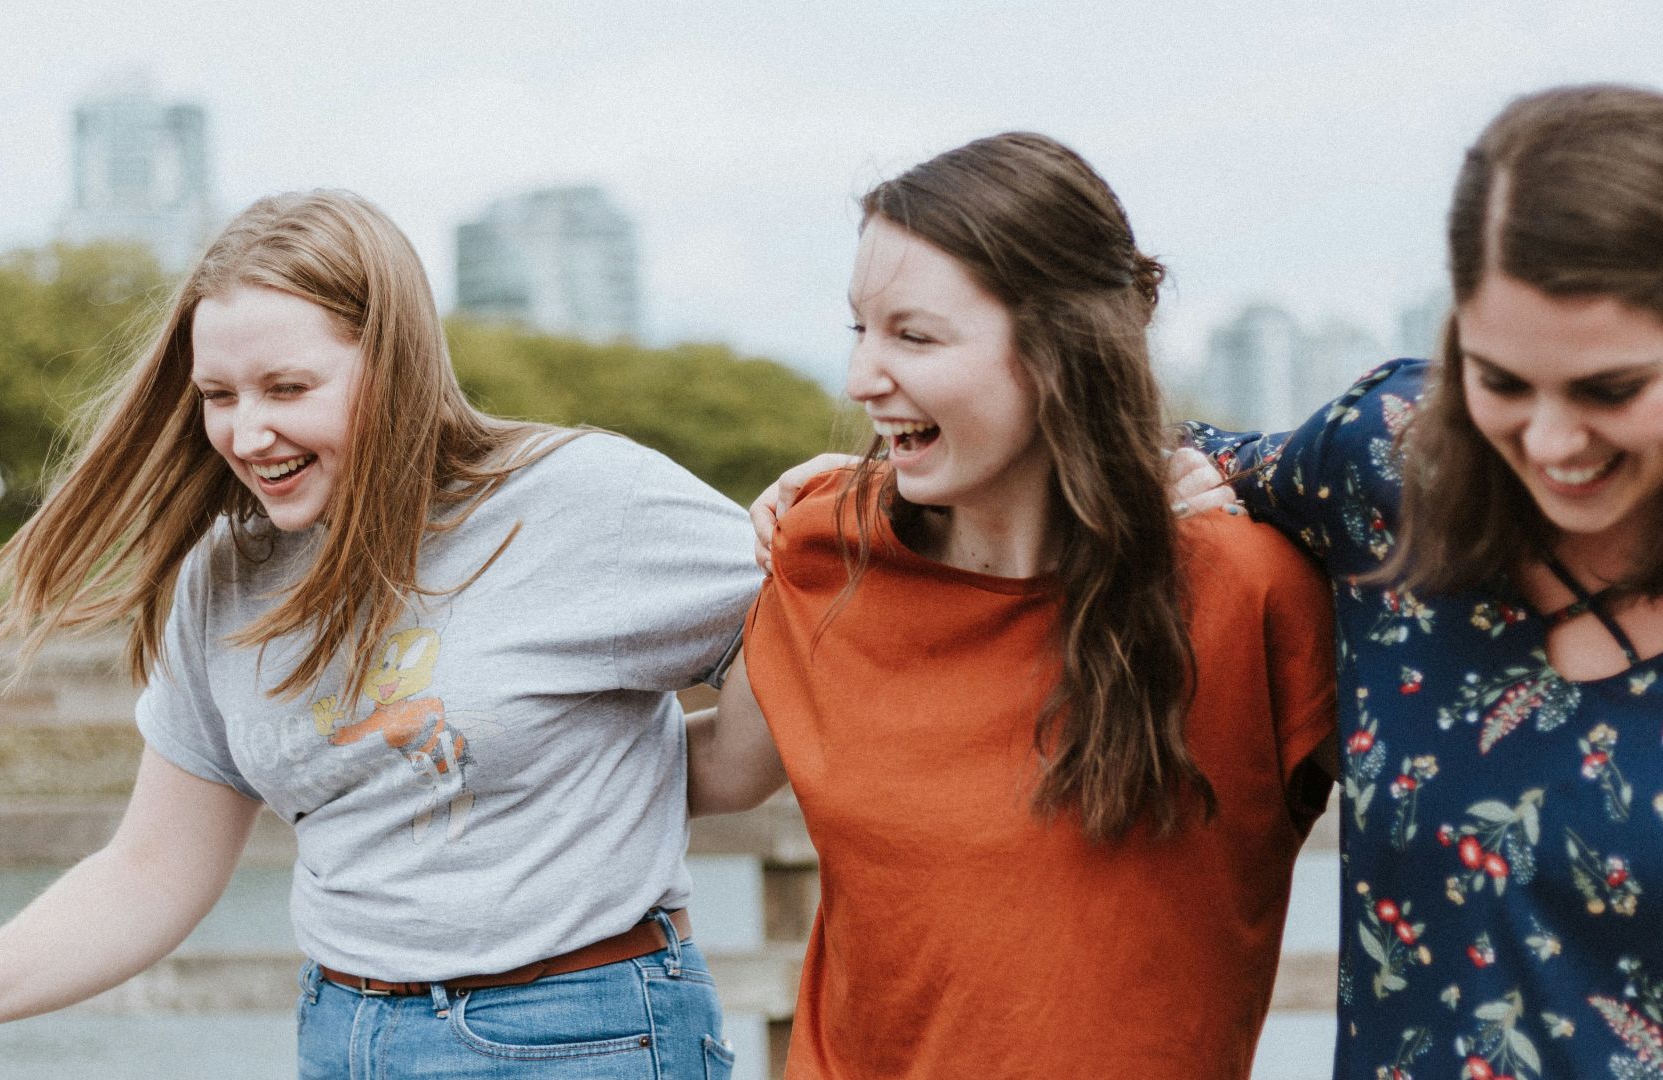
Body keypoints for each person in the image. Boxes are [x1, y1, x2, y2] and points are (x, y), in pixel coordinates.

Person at [0, 190, 759, 1080]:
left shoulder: (578, 499)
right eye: (219, 394)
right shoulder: (226, 575)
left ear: (394, 366)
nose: (248, 431)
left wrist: (660, 769)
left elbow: (809, 642)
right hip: (343, 1029)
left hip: (580, 1032)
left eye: (288, 386)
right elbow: (151, 872)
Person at [688, 132, 1339, 1079]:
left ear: (1062, 351)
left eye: (912, 335)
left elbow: (1456, 835)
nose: (862, 378)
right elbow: (716, 769)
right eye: (859, 331)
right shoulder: (827, 549)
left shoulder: (1250, 589)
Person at [1172, 84, 1663, 1080]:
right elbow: (1140, 459)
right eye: (1502, 382)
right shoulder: (1391, 458)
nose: (1555, 442)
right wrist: (857, 496)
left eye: (1609, 389)